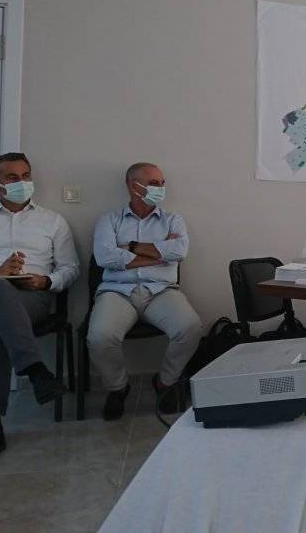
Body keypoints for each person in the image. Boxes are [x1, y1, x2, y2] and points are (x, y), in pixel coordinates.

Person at [0, 153, 79, 458]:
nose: (22, 182)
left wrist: (46, 281)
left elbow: (70, 268)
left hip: (30, 297)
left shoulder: (53, 221)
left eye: (26, 175)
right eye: (12, 178)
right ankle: (35, 369)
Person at [88, 163, 203, 421]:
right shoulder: (109, 220)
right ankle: (118, 387)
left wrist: (129, 247)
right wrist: (158, 254)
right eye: (153, 183)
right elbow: (105, 257)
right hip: (117, 291)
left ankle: (164, 382)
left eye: (162, 183)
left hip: (161, 291)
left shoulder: (173, 220)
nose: (160, 188)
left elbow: (179, 251)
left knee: (190, 328)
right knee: (99, 337)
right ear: (133, 185)